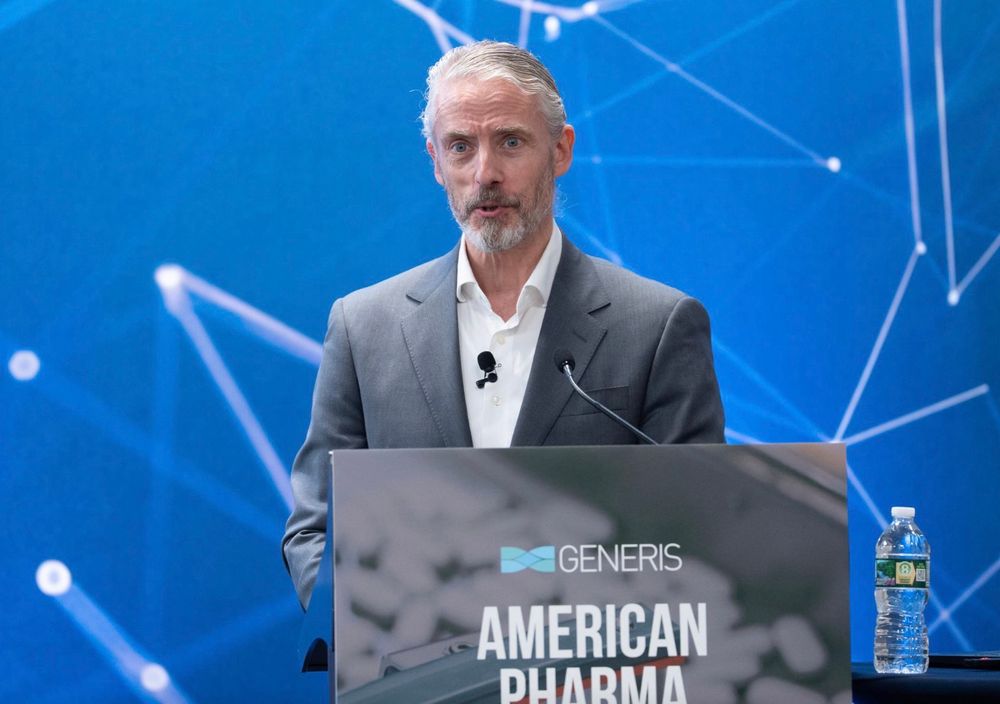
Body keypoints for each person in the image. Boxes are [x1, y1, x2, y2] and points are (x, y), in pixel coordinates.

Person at [282, 40, 725, 607]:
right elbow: (314, 531)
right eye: (460, 147)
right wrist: (388, 616)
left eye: (511, 142)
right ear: (435, 163)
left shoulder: (658, 325)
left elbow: (700, 532)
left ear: (561, 150)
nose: (485, 173)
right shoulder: (363, 327)